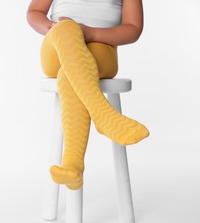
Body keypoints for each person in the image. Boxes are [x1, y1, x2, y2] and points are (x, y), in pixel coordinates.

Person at [26, 0, 149, 190]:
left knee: (73, 72)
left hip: (101, 49)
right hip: (57, 46)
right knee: (67, 28)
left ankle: (72, 166)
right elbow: (34, 11)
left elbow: (133, 28)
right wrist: (54, 28)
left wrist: (92, 33)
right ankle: (103, 115)